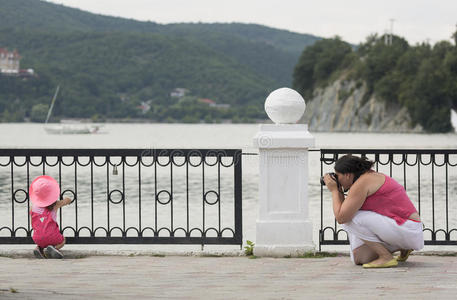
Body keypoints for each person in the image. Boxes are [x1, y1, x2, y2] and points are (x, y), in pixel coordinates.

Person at [322, 154, 424, 268]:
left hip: (408, 228)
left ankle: (386, 257)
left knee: (351, 219)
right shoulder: (366, 178)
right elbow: (343, 210)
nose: (337, 179)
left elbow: (342, 218)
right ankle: (403, 247)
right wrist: (338, 189)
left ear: (347, 175)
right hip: (407, 230)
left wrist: (334, 190)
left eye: (337, 175)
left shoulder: (363, 182)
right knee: (359, 258)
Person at [29, 175, 72, 259]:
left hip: (37, 238)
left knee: (42, 239)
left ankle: (39, 248)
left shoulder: (32, 207)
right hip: (53, 236)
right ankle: (54, 249)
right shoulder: (55, 205)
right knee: (63, 240)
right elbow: (68, 200)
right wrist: (68, 199)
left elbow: (32, 224)